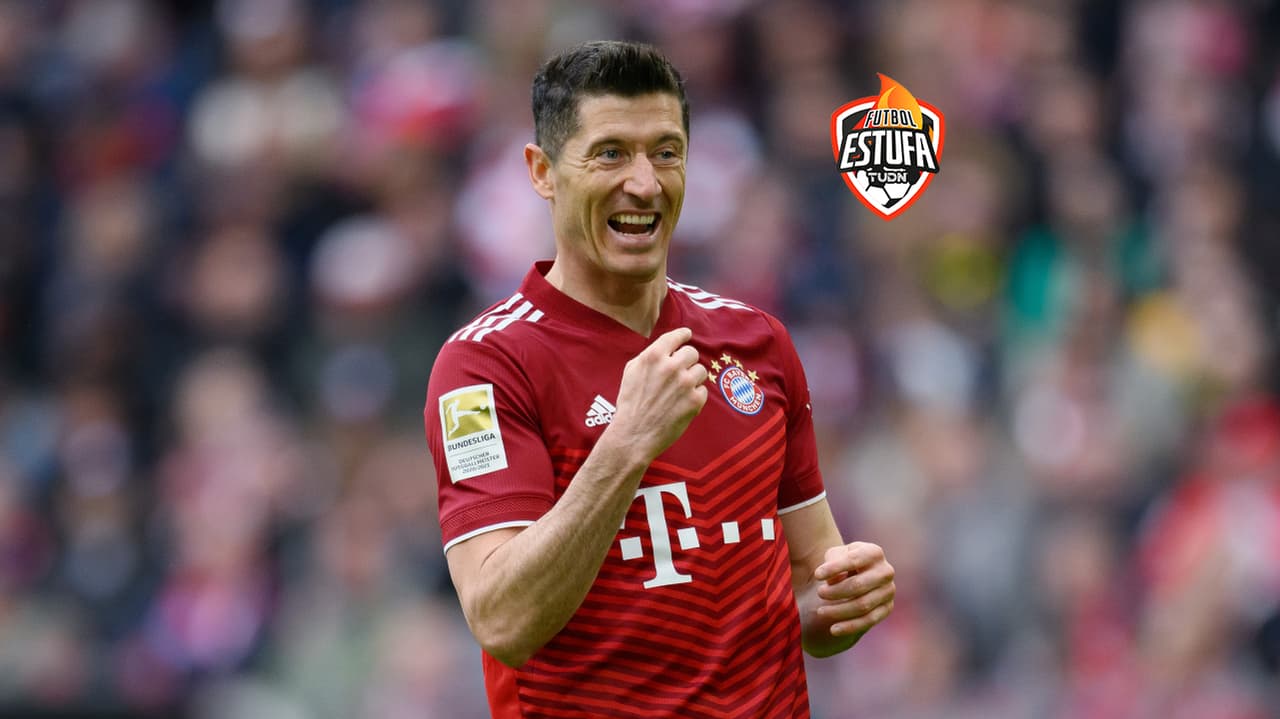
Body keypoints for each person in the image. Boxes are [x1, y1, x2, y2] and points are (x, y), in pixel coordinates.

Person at [425, 40, 895, 719]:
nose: (645, 184)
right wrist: (626, 444)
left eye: (666, 152)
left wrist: (844, 602)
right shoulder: (482, 367)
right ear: (543, 172)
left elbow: (807, 585)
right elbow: (502, 619)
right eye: (611, 153)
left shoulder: (758, 342)